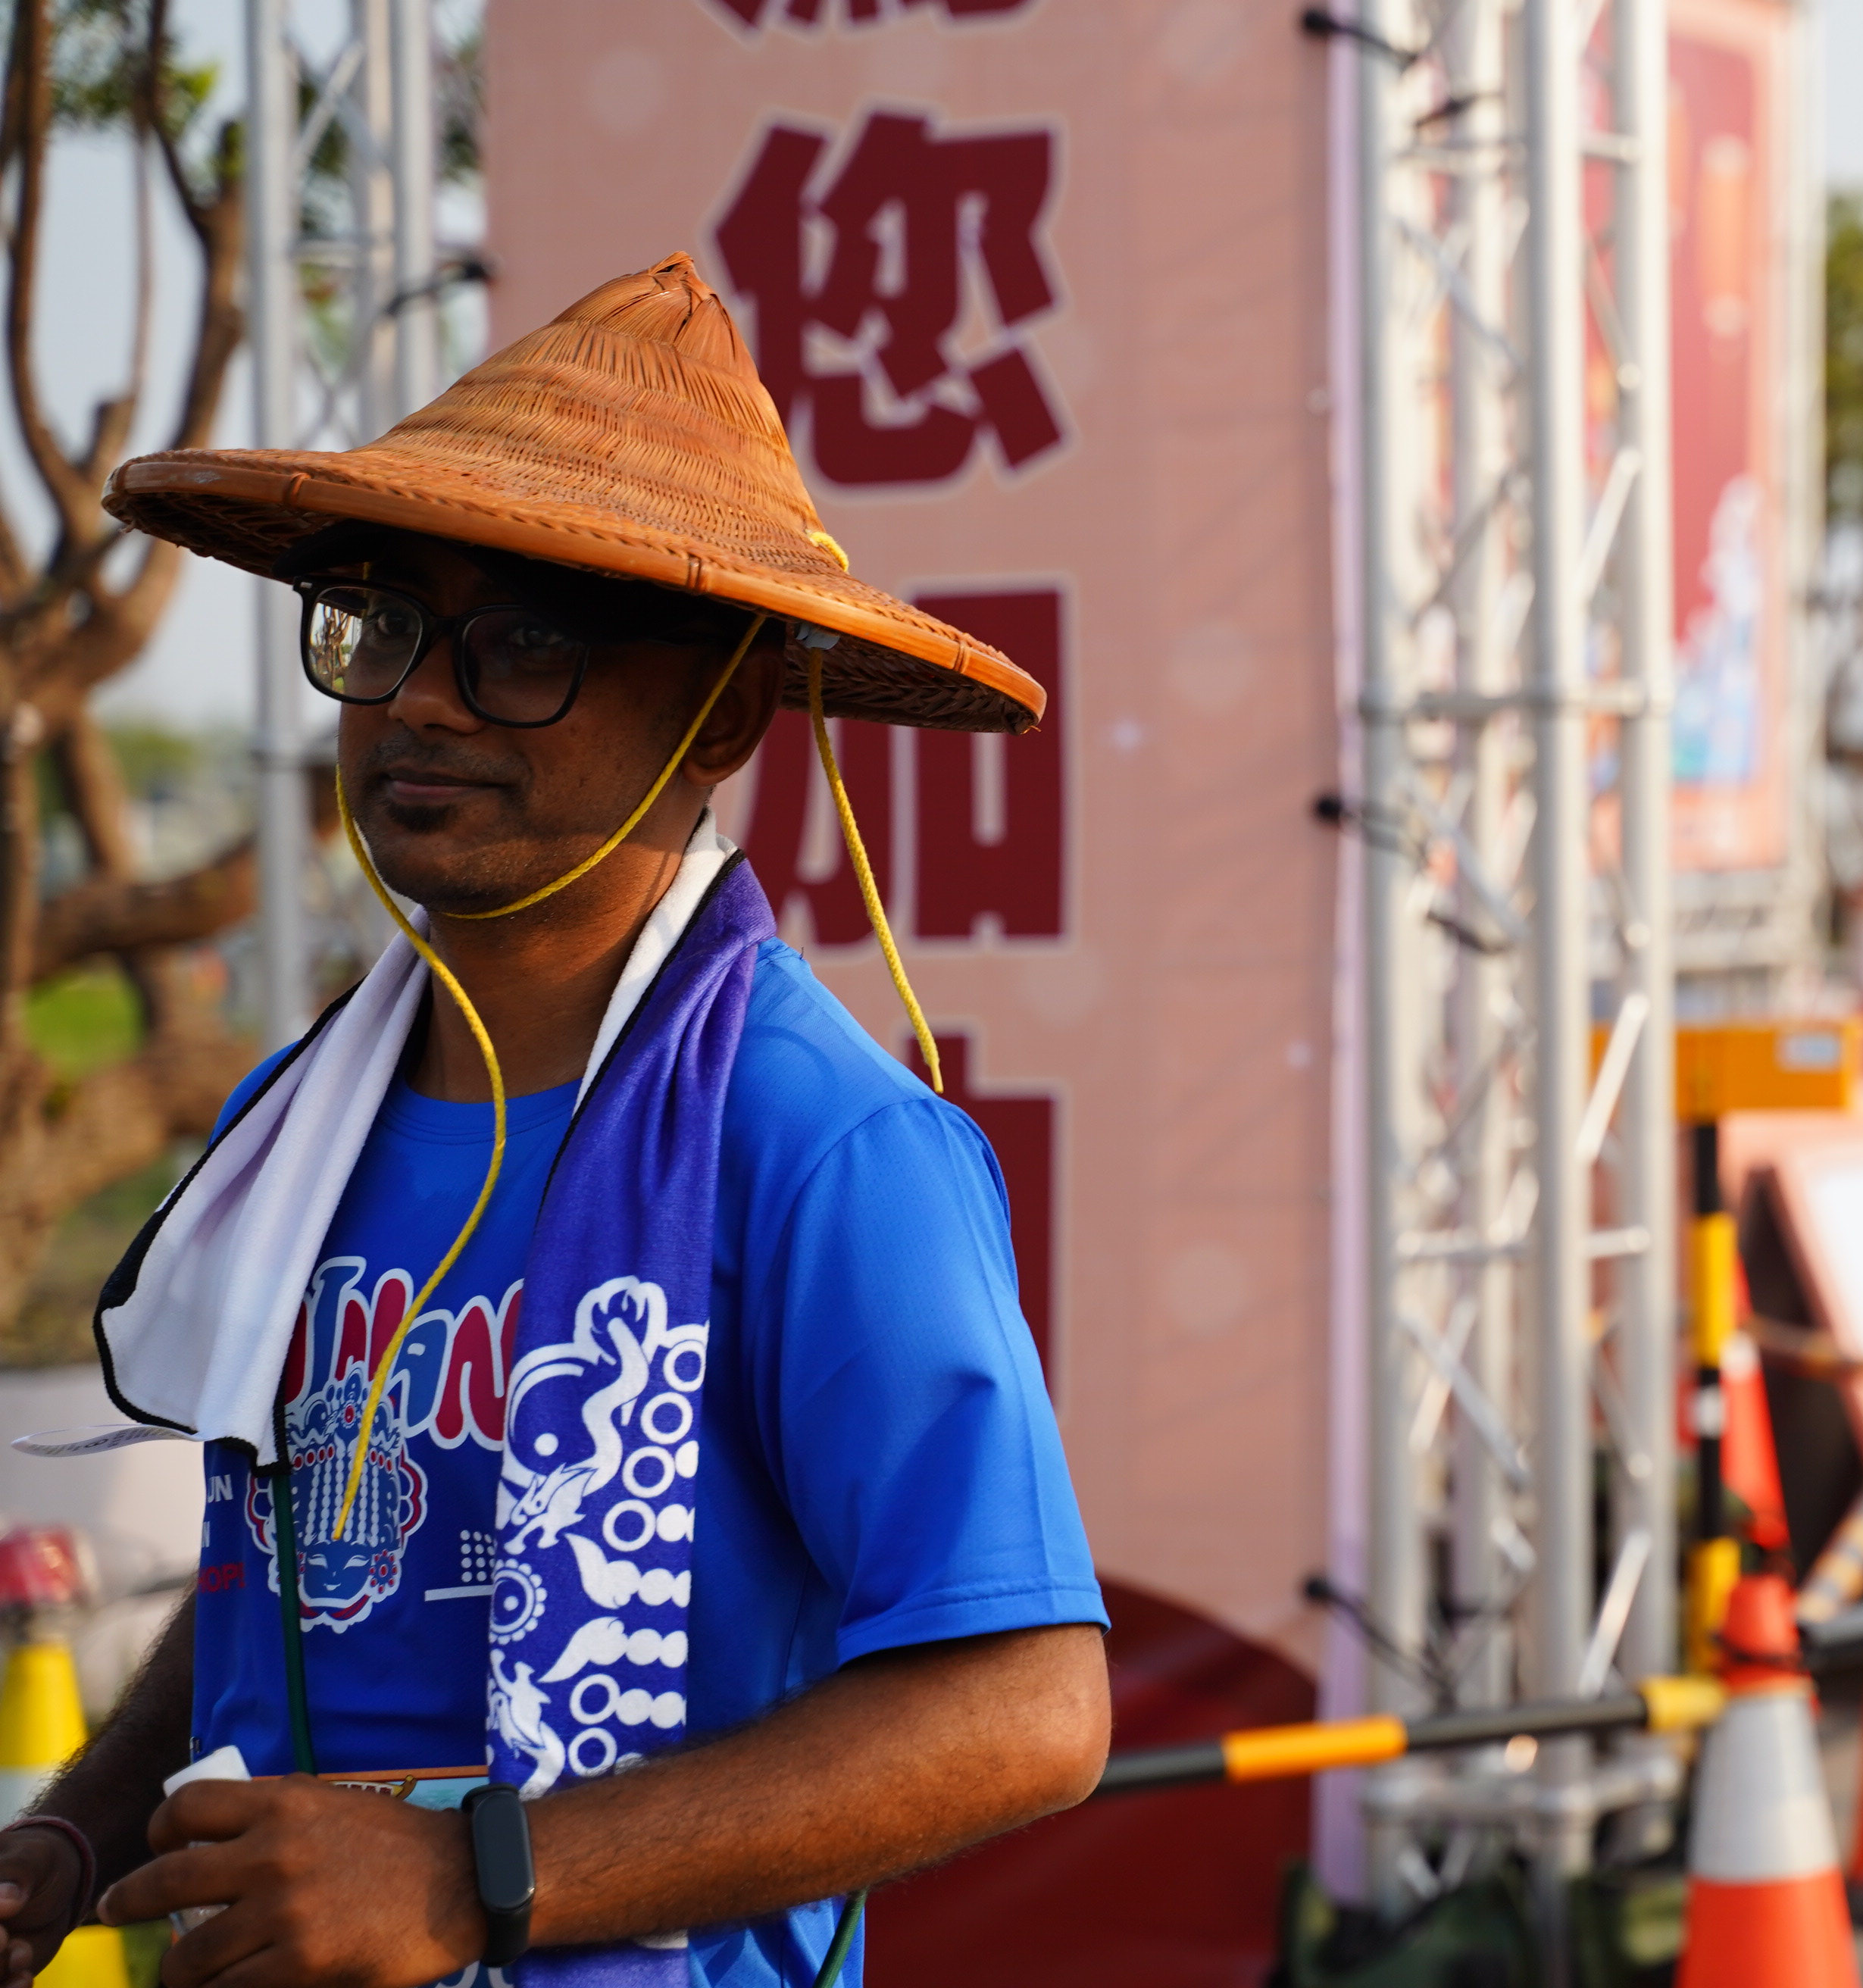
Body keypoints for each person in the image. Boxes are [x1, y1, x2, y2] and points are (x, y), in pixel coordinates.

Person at [0, 256, 1109, 1986]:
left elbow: (1029, 1704)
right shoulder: (297, 1123)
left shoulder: (820, 1145)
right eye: (379, 622)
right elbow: (286, 1569)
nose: (421, 698)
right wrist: (78, 1830)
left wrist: (472, 1879)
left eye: (524, 642)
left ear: (722, 712)